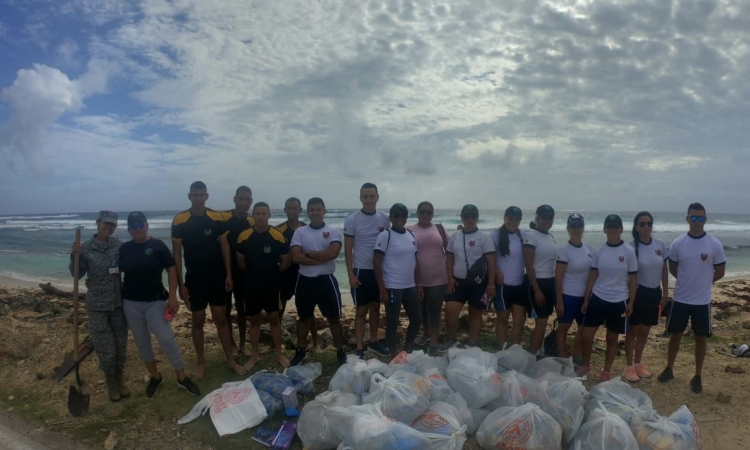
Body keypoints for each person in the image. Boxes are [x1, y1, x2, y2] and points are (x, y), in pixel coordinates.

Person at [119, 211, 200, 398]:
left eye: (141, 225)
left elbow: (171, 270)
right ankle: (155, 376)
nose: (137, 229)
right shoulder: (123, 249)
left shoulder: (157, 245)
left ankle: (181, 378)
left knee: (166, 339)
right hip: (130, 303)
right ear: (129, 230)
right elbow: (113, 271)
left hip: (155, 301)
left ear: (147, 225)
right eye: (134, 226)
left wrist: (172, 296)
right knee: (142, 342)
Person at [171, 181, 245, 378]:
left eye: (201, 195)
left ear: (206, 196)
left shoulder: (216, 217)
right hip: (194, 279)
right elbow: (177, 254)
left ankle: (230, 360)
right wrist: (180, 284)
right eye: (195, 195)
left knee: (221, 319)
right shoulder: (180, 220)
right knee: (197, 321)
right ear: (189, 196)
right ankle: (201, 363)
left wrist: (229, 273)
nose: (198, 198)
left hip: (217, 277)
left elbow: (225, 247)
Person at [658, 203, 726, 394]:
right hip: (680, 299)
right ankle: (669, 368)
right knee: (675, 335)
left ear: (705, 219)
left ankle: (697, 375)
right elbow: (673, 267)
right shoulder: (679, 243)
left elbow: (720, 271)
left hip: (702, 302)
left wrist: (704, 282)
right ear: (688, 219)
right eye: (694, 218)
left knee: (700, 338)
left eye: (701, 218)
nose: (697, 222)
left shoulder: (714, 243)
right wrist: (687, 281)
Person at [70, 211, 129, 402]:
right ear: (98, 223)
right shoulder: (85, 249)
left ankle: (119, 381)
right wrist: (74, 256)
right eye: (106, 224)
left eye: (113, 225)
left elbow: (131, 264)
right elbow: (77, 275)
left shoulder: (118, 246)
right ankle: (110, 384)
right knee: (107, 351)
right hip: (97, 308)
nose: (109, 228)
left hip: (118, 305)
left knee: (120, 349)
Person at [288, 197, 347, 367]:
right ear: (307, 212)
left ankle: (340, 351)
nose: (315, 212)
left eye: (318, 209)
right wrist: (319, 256)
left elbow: (333, 254)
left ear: (324, 211)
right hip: (304, 281)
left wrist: (307, 253)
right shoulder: (300, 232)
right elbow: (295, 257)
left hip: (326, 280)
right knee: (304, 318)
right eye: (312, 209)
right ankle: (300, 351)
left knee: (334, 319)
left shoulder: (333, 231)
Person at [580, 214, 637, 381]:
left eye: (615, 226)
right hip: (597, 297)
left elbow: (633, 279)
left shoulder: (628, 251)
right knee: (586, 336)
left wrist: (631, 303)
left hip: (619, 300)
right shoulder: (599, 250)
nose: (612, 229)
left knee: (612, 338)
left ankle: (606, 372)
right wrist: (586, 299)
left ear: (621, 229)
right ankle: (586, 366)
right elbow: (593, 276)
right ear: (604, 229)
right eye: (609, 226)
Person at [236, 203, 291, 370]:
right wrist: (255, 274)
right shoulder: (243, 236)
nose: (260, 216)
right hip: (251, 285)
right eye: (257, 213)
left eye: (263, 213)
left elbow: (285, 262)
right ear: (252, 215)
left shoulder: (277, 236)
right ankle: (254, 355)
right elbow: (241, 262)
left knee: (274, 319)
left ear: (269, 215)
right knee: (254, 320)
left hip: (271, 284)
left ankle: (279, 354)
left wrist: (270, 273)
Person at [344, 182, 391, 359]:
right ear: (361, 198)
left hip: (379, 271)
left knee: (376, 308)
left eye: (372, 196)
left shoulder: (385, 218)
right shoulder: (352, 219)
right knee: (361, 311)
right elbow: (348, 250)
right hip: (361, 271)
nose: (369, 200)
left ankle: (373, 342)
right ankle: (359, 348)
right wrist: (350, 274)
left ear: (377, 197)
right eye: (365, 196)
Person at [623, 212, 669, 382]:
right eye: (642, 224)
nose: (646, 227)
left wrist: (665, 293)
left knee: (645, 331)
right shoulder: (630, 247)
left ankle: (637, 363)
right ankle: (628, 367)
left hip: (654, 292)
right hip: (637, 292)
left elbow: (664, 270)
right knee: (633, 331)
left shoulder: (660, 244)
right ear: (636, 227)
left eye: (649, 223)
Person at [443, 204, 496, 350]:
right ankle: (451, 338)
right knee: (450, 310)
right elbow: (449, 257)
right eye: (466, 216)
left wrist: (491, 285)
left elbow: (491, 262)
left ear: (477, 218)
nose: (470, 219)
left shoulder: (484, 238)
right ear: (462, 218)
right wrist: (449, 278)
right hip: (457, 281)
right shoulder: (455, 236)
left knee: (475, 313)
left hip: (479, 283)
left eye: (473, 216)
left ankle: (472, 343)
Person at [374, 203, 423, 360]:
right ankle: (393, 352)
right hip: (392, 286)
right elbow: (376, 262)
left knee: (417, 318)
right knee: (393, 321)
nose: (400, 218)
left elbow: (414, 260)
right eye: (396, 215)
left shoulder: (411, 235)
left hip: (409, 285)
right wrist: (382, 288)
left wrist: (419, 284)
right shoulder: (385, 235)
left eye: (403, 215)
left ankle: (407, 347)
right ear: (391, 217)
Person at [277, 197, 320, 352]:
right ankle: (274, 344)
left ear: (300, 210)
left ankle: (316, 344)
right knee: (279, 309)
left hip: (303, 274)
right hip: (285, 275)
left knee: (308, 311)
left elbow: (311, 252)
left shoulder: (305, 229)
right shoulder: (278, 230)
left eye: (295, 208)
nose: (292, 212)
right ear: (285, 210)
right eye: (289, 208)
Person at [407, 201, 449, 356]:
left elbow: (452, 248)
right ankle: (425, 333)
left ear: (432, 214)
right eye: (422, 211)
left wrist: (463, 232)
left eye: (428, 212)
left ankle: (433, 342)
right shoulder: (408, 229)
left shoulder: (439, 228)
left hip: (439, 277)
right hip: (416, 279)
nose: (425, 214)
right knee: (421, 310)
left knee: (434, 309)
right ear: (417, 212)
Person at [219, 186, 255, 356]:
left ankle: (242, 344)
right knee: (225, 310)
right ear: (235, 199)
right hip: (223, 271)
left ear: (251, 202)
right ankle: (231, 344)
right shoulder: (222, 218)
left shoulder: (252, 221)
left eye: (247, 199)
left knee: (242, 310)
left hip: (243, 272)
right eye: (241, 199)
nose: (244, 202)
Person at [554, 213, 592, 363]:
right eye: (573, 226)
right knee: (563, 327)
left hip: (584, 297)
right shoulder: (564, 250)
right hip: (568, 295)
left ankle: (576, 357)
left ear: (583, 228)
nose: (576, 229)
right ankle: (562, 356)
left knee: (582, 329)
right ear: (568, 229)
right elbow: (558, 277)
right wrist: (559, 301)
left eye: (579, 226)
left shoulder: (589, 249)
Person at [523, 205, 558, 356]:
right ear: (537, 218)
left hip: (550, 282)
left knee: (544, 320)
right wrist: (536, 288)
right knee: (541, 322)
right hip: (536, 283)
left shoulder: (550, 236)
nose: (547, 220)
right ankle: (533, 354)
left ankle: (537, 351)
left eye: (550, 218)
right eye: (544, 217)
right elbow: (528, 265)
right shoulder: (531, 236)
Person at [490, 206, 527, 350]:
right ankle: (502, 349)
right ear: (505, 218)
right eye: (510, 218)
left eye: (516, 219)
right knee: (503, 319)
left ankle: (516, 349)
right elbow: (489, 258)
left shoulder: (523, 235)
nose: (513, 221)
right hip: (502, 285)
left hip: (519, 285)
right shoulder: (495, 235)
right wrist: (497, 272)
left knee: (519, 321)